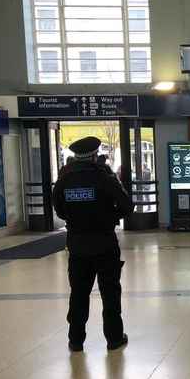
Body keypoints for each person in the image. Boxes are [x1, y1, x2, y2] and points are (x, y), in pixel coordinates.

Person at [53, 136, 133, 351]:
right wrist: (110, 216)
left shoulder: (64, 180)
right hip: (105, 244)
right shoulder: (104, 177)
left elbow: (59, 211)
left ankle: (76, 340)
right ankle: (114, 338)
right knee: (110, 293)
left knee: (78, 293)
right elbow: (127, 206)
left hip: (77, 246)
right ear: (95, 155)